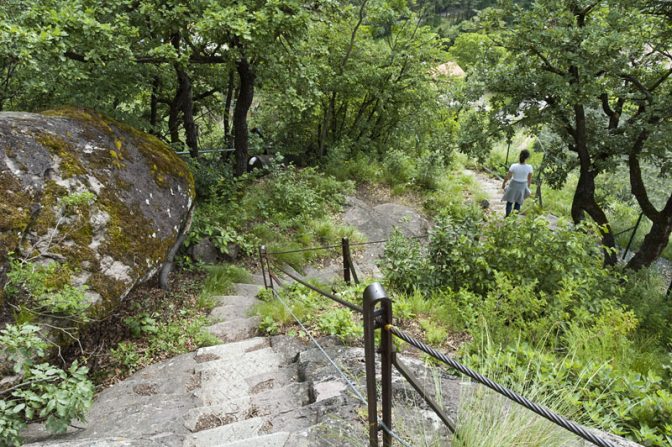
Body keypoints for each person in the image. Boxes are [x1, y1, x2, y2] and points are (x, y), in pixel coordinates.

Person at [501, 149, 533, 217]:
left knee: (509, 202)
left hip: (513, 185)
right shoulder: (529, 167)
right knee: (518, 203)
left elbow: (508, 177)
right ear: (527, 158)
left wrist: (503, 184)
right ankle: (513, 218)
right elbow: (529, 179)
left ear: (520, 156)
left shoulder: (514, 166)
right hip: (522, 186)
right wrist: (527, 187)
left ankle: (507, 217)